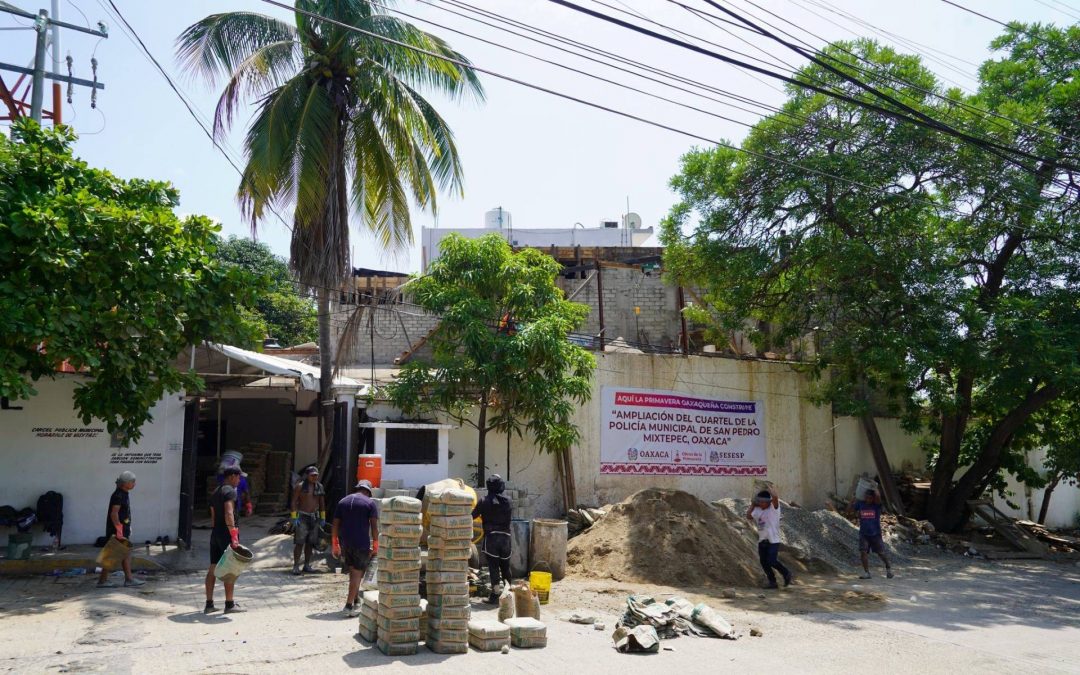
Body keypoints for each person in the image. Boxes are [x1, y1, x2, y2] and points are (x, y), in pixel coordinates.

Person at [332, 479, 380, 618]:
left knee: (353, 572)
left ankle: (356, 600)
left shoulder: (343, 502)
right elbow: (374, 527)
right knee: (357, 574)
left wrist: (335, 544)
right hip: (361, 544)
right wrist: (376, 545)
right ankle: (348, 605)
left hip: (345, 543)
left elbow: (335, 524)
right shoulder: (370, 503)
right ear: (368, 491)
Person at [205, 466, 244, 614]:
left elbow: (213, 516)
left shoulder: (215, 491)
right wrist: (233, 535)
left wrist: (216, 532)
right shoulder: (229, 491)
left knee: (213, 568)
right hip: (227, 534)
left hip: (215, 533)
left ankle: (209, 604)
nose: (239, 480)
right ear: (232, 476)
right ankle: (229, 604)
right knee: (231, 569)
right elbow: (229, 512)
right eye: (239, 477)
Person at [97, 471, 145, 588]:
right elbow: (114, 514)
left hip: (122, 528)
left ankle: (128, 579)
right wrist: (119, 530)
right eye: (133, 482)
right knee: (112, 555)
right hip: (117, 530)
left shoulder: (124, 493)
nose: (134, 484)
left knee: (125, 553)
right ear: (126, 483)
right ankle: (103, 581)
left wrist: (127, 527)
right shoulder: (118, 495)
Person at [473, 474, 513, 604]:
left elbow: (472, 516)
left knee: (494, 567)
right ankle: (509, 594)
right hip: (506, 538)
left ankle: (495, 595)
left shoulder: (484, 501)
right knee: (505, 567)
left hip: (491, 539)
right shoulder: (508, 501)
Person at [746, 486, 793, 589]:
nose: (763, 504)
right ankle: (772, 582)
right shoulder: (757, 509)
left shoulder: (773, 509)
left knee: (771, 561)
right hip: (762, 540)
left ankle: (786, 573)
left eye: (765, 502)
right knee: (764, 562)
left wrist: (768, 488)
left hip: (773, 540)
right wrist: (753, 504)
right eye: (760, 502)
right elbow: (748, 516)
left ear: (768, 502)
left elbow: (775, 497)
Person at [851, 488, 894, 579]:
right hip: (863, 534)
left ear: (873, 498)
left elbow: (878, 496)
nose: (868, 499)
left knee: (881, 553)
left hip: (875, 534)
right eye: (866, 497)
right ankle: (867, 573)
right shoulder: (860, 504)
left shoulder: (876, 506)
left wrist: (874, 487)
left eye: (870, 498)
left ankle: (888, 568)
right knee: (863, 552)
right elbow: (850, 510)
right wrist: (853, 499)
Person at [291, 466, 326, 575]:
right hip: (302, 517)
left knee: (310, 543)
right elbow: (293, 502)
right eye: (312, 475)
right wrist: (294, 516)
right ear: (307, 475)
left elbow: (321, 503)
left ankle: (306, 565)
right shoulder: (300, 487)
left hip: (314, 517)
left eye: (316, 475)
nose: (315, 477)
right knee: (299, 543)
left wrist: (322, 517)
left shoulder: (319, 487)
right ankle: (296, 565)